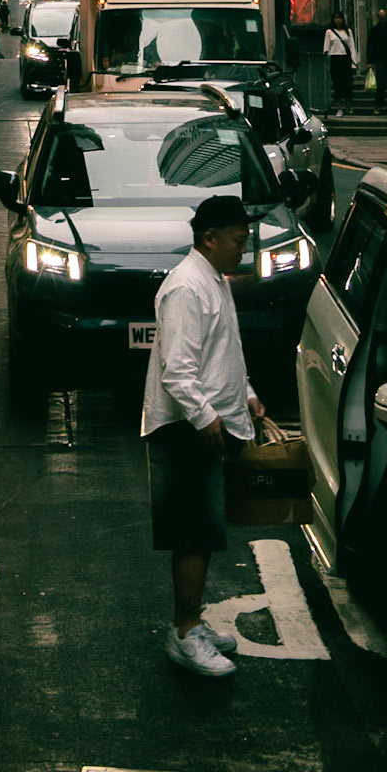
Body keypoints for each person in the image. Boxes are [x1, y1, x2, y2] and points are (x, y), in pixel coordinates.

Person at [141, 194, 265, 680]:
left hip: (206, 425)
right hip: (187, 430)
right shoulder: (187, 287)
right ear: (209, 239)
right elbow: (178, 369)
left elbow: (224, 350)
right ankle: (184, 632)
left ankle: (191, 621)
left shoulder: (213, 279)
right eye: (237, 240)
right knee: (193, 534)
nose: (243, 248)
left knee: (204, 532)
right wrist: (206, 417)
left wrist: (246, 393)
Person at [322, 13, 359, 116]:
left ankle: (348, 104)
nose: (338, 20)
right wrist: (327, 63)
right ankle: (339, 107)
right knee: (337, 83)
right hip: (335, 58)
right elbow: (326, 48)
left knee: (347, 83)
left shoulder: (348, 31)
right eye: (336, 18)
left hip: (345, 58)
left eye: (340, 18)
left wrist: (354, 62)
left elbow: (352, 46)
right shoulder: (329, 32)